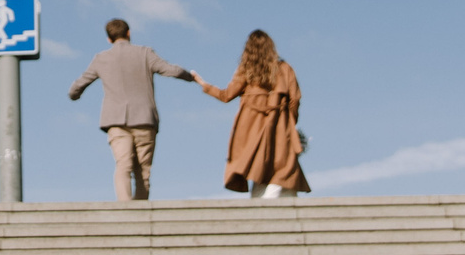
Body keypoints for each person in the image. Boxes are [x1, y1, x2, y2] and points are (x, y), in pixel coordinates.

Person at [69, 18, 208, 201]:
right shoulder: (144, 53)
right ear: (128, 33)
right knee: (143, 170)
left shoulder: (101, 59)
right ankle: (140, 212)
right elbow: (170, 70)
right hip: (144, 119)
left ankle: (125, 210)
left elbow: (79, 84)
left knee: (123, 165)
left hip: (116, 120)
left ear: (109, 39)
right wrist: (191, 77)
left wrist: (75, 95)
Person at [201, 30, 309, 198]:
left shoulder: (245, 71)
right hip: (279, 126)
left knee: (261, 169)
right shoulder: (284, 69)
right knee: (282, 167)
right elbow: (295, 99)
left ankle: (262, 206)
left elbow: (226, 95)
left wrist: (203, 84)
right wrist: (290, 122)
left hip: (252, 130)